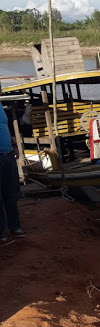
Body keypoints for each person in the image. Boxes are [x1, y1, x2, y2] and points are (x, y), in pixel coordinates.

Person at [0, 103, 24, 246]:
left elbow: (4, 127)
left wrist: (14, 144)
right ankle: (1, 233)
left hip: (8, 155)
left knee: (12, 193)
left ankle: (15, 227)